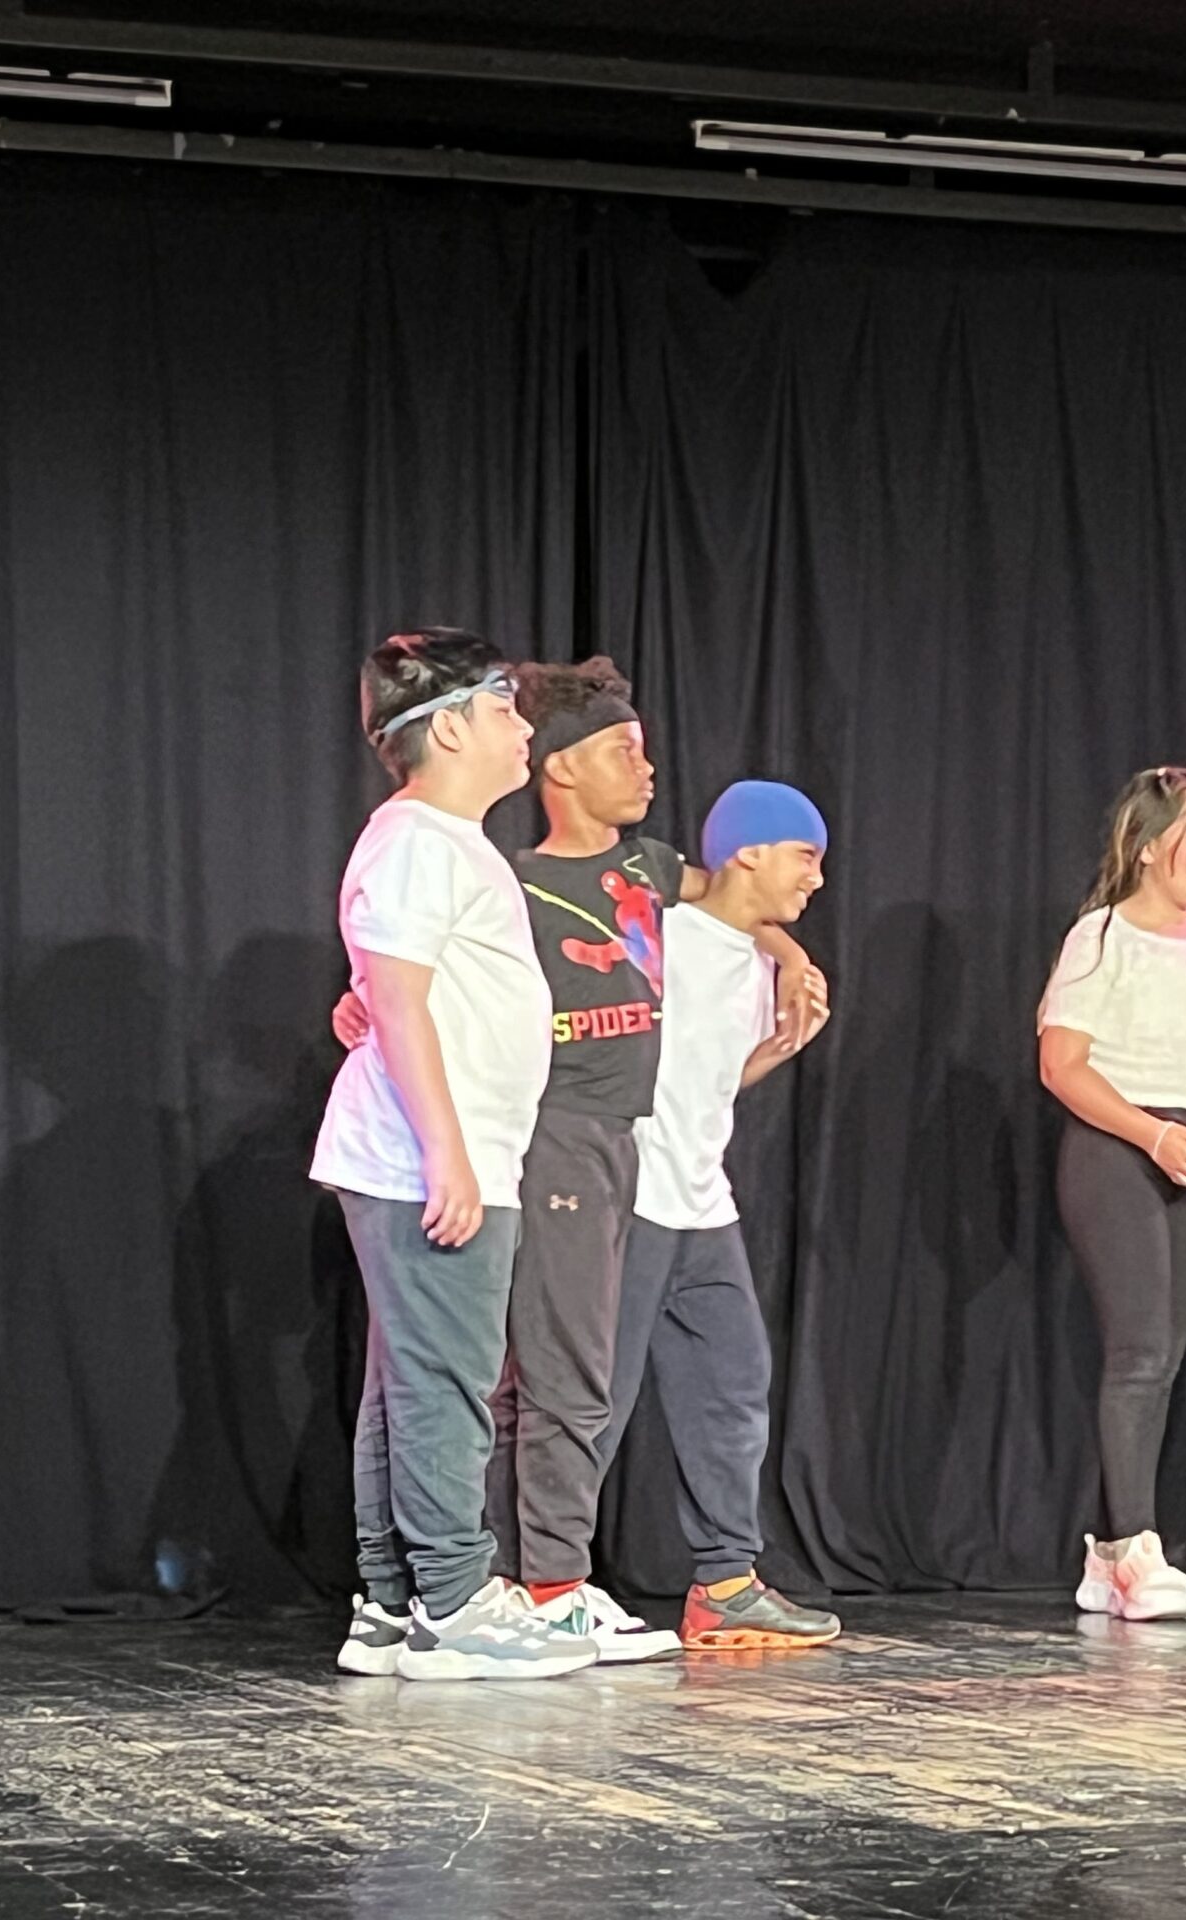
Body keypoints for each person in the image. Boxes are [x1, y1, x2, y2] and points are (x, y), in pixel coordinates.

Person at [331, 658, 822, 1663]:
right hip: (544, 1137)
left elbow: (735, 895)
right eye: (621, 750)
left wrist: (791, 954)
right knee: (534, 1379)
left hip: (611, 1145)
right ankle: (521, 1586)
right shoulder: (501, 872)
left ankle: (461, 1592)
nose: (648, 768)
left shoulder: (644, 869)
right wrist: (369, 1012)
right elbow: (403, 974)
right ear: (559, 767)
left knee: (535, 1377)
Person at [311, 629, 594, 1681]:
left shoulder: (443, 843)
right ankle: (453, 1601)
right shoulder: (418, 841)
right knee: (445, 1384)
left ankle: (393, 1603)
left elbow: (393, 990)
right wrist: (447, 1153)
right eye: (505, 708)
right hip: (426, 1157)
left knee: (412, 1383)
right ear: (455, 724)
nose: (523, 728)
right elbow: (396, 1000)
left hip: (444, 1150)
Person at [601, 781, 842, 1649]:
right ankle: (528, 1581)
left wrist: (775, 1049)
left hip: (702, 1202)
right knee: (593, 1401)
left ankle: (726, 1583)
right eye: (805, 856)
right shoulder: (662, 936)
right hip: (629, 1198)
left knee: (732, 1385)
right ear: (749, 852)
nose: (817, 878)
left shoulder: (757, 961)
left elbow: (707, 1080)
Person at [1038, 767, 1186, 1623]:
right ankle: (1137, 1553)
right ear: (1145, 843)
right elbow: (1062, 1065)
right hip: (1116, 1149)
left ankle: (1108, 1557)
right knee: (1135, 1354)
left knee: (1162, 1361)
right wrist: (1153, 1134)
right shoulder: (1100, 937)